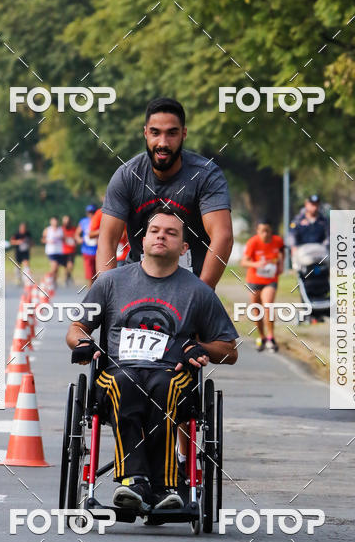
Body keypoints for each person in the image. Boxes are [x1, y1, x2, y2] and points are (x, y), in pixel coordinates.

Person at [66, 209, 238, 511]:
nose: (161, 236)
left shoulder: (198, 292)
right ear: (142, 240)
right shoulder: (110, 282)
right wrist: (81, 342)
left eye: (171, 233)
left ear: (184, 248)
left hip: (173, 374)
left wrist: (202, 349)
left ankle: (164, 485)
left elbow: (229, 350)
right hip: (118, 374)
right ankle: (135, 481)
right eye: (155, 230)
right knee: (126, 383)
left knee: (165, 387)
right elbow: (78, 326)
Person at [96, 97, 233, 288]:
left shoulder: (206, 175)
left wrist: (202, 294)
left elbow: (222, 236)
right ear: (145, 133)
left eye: (172, 133)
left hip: (191, 284)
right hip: (136, 287)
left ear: (183, 134)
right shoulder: (127, 176)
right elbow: (107, 240)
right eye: (155, 133)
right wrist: (107, 296)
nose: (163, 142)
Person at [241, 220, 285, 352]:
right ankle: (262, 337)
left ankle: (271, 337)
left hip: (270, 279)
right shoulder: (253, 242)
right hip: (254, 279)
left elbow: (282, 251)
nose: (265, 234)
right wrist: (256, 265)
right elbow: (244, 262)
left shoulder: (277, 241)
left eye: (268, 231)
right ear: (258, 231)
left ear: (271, 231)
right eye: (262, 231)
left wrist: (281, 264)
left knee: (268, 306)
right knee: (257, 311)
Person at [289, 194, 329, 258]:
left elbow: (328, 236)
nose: (315, 207)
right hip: (303, 252)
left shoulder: (324, 221)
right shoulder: (298, 220)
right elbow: (292, 235)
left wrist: (326, 245)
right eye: (312, 204)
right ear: (306, 204)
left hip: (320, 251)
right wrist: (294, 247)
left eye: (317, 205)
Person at [76, 204, 98, 289]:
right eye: (89, 212)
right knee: (90, 275)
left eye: (92, 212)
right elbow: (77, 234)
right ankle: (90, 291)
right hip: (87, 251)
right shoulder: (83, 222)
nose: (91, 214)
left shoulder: (100, 220)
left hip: (97, 252)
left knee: (97, 274)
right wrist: (79, 239)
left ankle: (96, 291)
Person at [41, 216, 66, 284]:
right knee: (54, 267)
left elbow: (64, 239)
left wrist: (61, 238)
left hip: (59, 251)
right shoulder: (47, 229)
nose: (55, 222)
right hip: (51, 251)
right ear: (51, 222)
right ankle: (46, 279)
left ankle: (53, 282)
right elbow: (42, 239)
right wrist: (49, 241)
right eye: (53, 221)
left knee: (57, 269)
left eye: (56, 221)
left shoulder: (61, 229)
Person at [62, 215, 77, 284]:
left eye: (68, 221)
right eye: (65, 221)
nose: (67, 223)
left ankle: (67, 276)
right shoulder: (61, 229)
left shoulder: (74, 229)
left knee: (70, 265)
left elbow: (76, 238)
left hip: (71, 250)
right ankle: (67, 277)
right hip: (63, 250)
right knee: (66, 266)